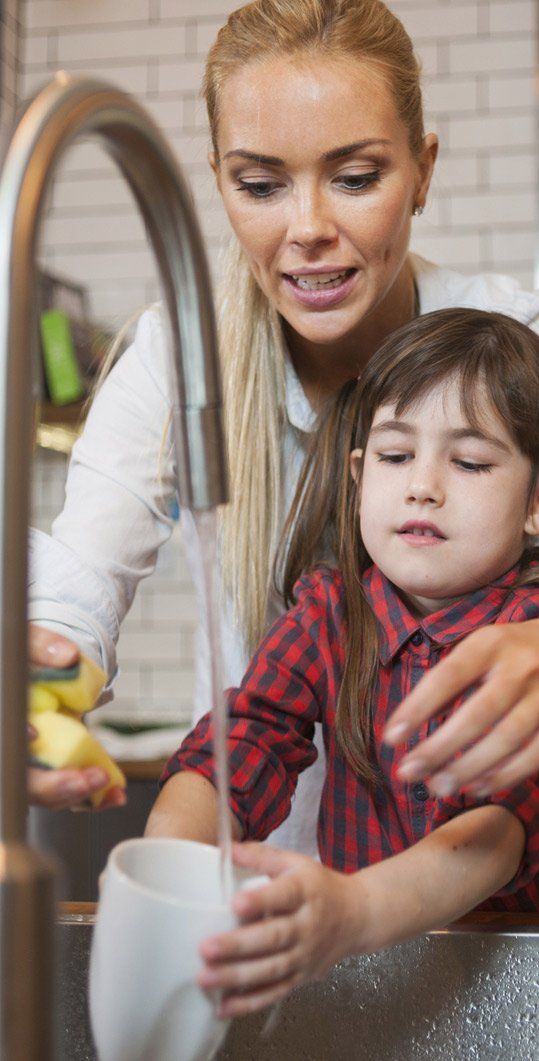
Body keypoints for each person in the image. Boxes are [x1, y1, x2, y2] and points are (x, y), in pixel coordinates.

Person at [29, 0, 539, 820]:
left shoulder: (517, 342)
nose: (307, 228)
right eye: (260, 185)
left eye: (355, 178)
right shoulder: (178, 357)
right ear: (221, 180)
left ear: (423, 171)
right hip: (266, 887)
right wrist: (44, 667)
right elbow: (82, 575)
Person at [146, 307, 539, 1017]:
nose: (422, 484)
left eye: (470, 461)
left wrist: (354, 908)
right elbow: (241, 744)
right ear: (359, 476)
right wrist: (163, 872)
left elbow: (496, 835)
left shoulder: (527, 644)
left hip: (511, 982)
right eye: (394, 456)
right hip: (369, 979)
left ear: (535, 501)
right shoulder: (328, 613)